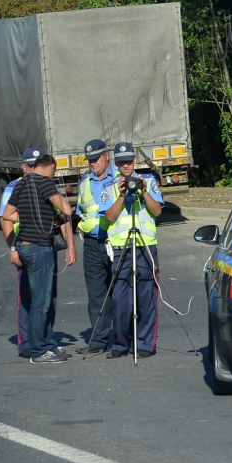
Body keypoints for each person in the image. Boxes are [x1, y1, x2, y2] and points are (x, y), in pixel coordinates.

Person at [2, 154, 77, 364]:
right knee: (41, 301)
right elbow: (66, 210)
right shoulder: (45, 183)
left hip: (25, 245)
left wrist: (28, 216)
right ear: (51, 167)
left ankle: (47, 344)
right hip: (39, 248)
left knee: (39, 298)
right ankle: (38, 350)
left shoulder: (21, 184)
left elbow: (7, 214)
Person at [104, 142, 164, 359]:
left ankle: (145, 342)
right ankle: (120, 343)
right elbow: (109, 217)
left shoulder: (147, 181)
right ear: (116, 163)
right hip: (122, 247)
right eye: (120, 162)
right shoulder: (111, 185)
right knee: (120, 299)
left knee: (146, 295)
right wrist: (121, 196)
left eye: (128, 161)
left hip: (145, 245)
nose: (125, 165)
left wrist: (144, 192)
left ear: (135, 160)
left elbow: (157, 211)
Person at [75, 139, 119, 355]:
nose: (93, 163)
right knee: (96, 294)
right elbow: (81, 213)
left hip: (116, 243)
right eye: (90, 159)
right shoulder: (84, 182)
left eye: (96, 158)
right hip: (93, 245)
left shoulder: (120, 178)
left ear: (107, 156)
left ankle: (122, 339)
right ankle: (99, 340)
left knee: (121, 292)